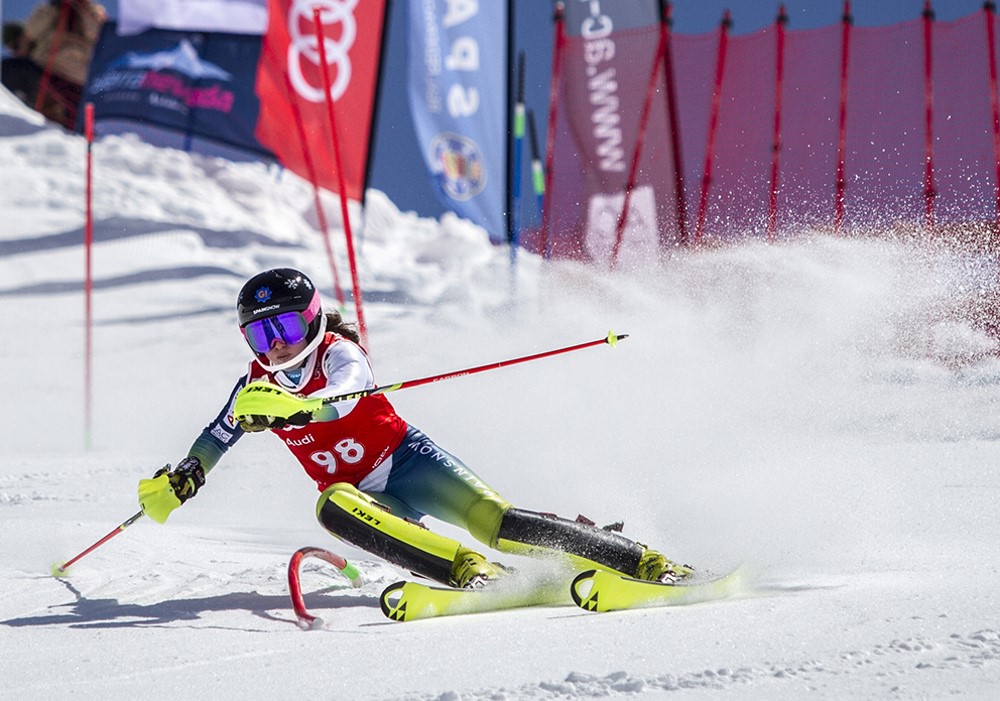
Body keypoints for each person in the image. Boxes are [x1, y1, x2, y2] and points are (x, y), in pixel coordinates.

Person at [137, 268, 693, 588]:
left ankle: (640, 559)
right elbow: (216, 437)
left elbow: (340, 397)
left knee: (497, 521)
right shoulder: (254, 385)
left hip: (409, 462)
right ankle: (472, 574)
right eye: (261, 337)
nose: (275, 345)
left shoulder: (339, 353)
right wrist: (187, 475)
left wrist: (296, 410)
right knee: (331, 504)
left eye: (283, 327)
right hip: (368, 500)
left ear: (310, 319)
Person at [11, 0, 105, 127]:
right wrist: (54, 8)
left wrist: (82, 8)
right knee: (12, 69)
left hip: (76, 77)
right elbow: (30, 33)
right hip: (43, 70)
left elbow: (98, 36)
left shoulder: (95, 12)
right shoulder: (49, 9)